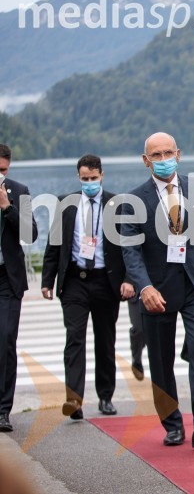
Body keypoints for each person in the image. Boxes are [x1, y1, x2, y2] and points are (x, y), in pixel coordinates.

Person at [121, 132, 194, 449]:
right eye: (156, 155)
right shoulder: (134, 200)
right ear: (145, 160)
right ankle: (172, 423)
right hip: (157, 291)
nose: (163, 160)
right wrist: (144, 286)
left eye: (168, 153)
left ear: (179, 154)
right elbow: (130, 251)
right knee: (161, 360)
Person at [41, 154, 134, 419]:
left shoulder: (118, 204)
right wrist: (48, 280)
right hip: (74, 281)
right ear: (78, 177)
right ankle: (74, 399)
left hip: (106, 281)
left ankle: (106, 396)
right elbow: (54, 243)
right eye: (85, 179)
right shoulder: (66, 203)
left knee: (105, 341)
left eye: (94, 178)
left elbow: (129, 247)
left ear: (102, 176)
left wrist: (129, 280)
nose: (90, 183)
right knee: (74, 339)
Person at [0, 144, 38, 433]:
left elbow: (30, 234)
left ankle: (3, 410)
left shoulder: (17, 190)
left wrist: (8, 208)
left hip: (7, 279)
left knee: (5, 341)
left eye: (3, 170)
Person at [127, 296, 145, 380]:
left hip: (158, 288)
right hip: (136, 291)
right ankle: (136, 360)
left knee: (156, 331)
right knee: (138, 329)